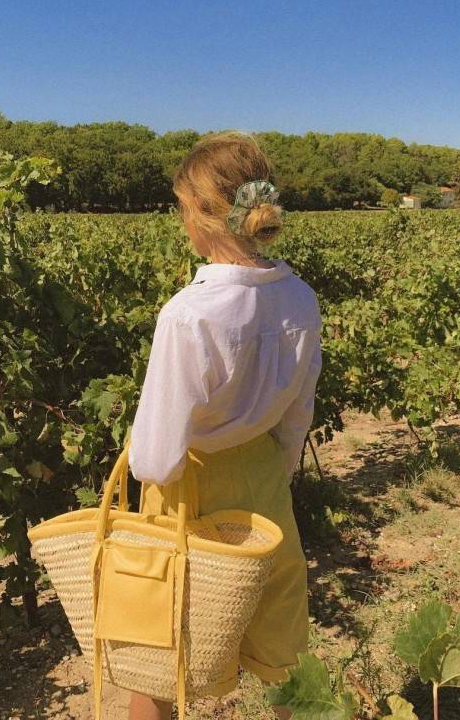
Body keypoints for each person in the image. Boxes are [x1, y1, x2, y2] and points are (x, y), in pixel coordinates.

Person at [127, 131, 323, 720]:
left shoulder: (188, 315)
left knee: (159, 653)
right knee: (281, 648)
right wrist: (273, 472)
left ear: (204, 217)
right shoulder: (301, 299)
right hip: (265, 480)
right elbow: (297, 417)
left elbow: (156, 458)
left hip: (190, 492)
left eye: (184, 208)